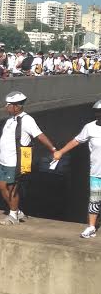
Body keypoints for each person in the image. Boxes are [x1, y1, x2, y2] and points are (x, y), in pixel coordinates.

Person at [0, 91, 56, 225]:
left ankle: (13, 216)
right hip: (4, 161)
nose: (6, 107)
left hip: (16, 161)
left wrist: (53, 149)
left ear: (17, 106)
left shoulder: (27, 120)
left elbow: (40, 135)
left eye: (9, 105)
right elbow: (5, 141)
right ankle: (16, 211)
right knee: (1, 186)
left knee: (12, 188)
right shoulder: (9, 120)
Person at [54, 100, 101, 238]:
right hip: (96, 173)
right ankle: (91, 227)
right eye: (97, 112)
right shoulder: (90, 127)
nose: (99, 115)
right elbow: (76, 140)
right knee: (94, 200)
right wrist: (61, 152)